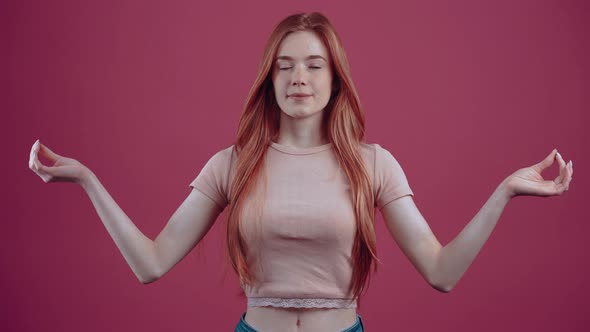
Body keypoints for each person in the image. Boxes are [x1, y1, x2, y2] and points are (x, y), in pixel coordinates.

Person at [28, 12, 573, 332]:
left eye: (314, 65)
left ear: (336, 79)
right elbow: (150, 263)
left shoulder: (372, 164)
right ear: (269, 79)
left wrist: (505, 192)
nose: (299, 79)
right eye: (284, 66)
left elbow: (442, 271)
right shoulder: (232, 164)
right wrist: (87, 180)